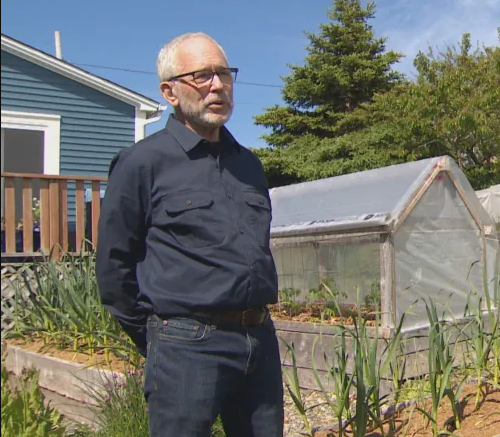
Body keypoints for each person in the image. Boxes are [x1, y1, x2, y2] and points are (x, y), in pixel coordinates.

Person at [96, 32, 284, 437]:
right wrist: (163, 339)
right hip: (186, 346)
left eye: (224, 74)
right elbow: (114, 269)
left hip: (259, 341)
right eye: (201, 76)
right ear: (170, 92)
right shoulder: (142, 163)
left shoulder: (248, 164)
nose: (217, 85)